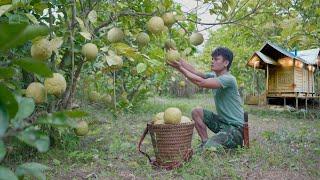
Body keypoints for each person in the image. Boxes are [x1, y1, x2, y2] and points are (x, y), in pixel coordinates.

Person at [167, 47, 244, 151]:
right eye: (212, 59)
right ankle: (204, 142)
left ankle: (209, 146)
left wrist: (180, 68)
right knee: (196, 112)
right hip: (223, 123)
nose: (212, 61)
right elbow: (194, 71)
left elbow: (201, 83)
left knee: (209, 149)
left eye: (216, 59)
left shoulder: (229, 79)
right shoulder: (214, 75)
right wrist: (177, 58)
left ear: (226, 63)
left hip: (235, 129)